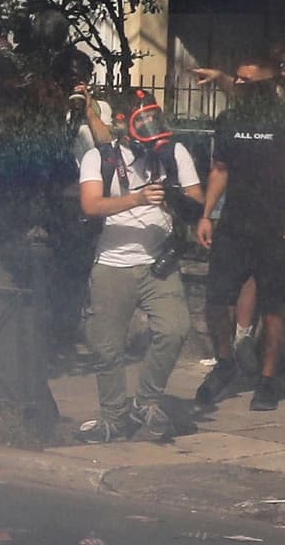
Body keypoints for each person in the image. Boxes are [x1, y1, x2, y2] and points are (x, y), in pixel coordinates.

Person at [195, 49, 285, 414]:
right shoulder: (229, 119)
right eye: (236, 78)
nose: (237, 84)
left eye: (245, 80)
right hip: (236, 224)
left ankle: (268, 381)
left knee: (275, 308)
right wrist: (207, 214)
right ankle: (226, 363)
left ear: (267, 85)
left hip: (278, 227)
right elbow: (220, 169)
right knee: (215, 300)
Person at [74, 96, 202, 442]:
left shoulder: (174, 154)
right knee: (106, 347)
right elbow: (90, 204)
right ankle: (113, 417)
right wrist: (137, 198)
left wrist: (174, 198)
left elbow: (197, 202)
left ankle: (146, 401)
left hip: (158, 262)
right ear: (122, 125)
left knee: (175, 329)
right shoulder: (98, 157)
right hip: (113, 263)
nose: (151, 139)